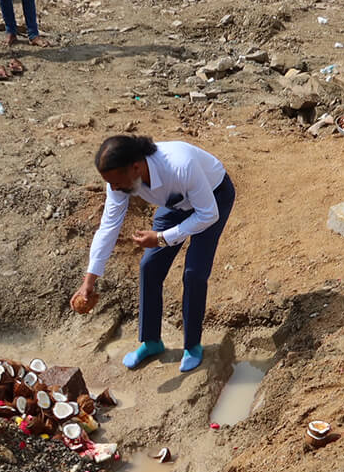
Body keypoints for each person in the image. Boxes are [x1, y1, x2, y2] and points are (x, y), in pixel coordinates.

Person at [70, 136, 236, 373]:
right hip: (175, 203)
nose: (114, 189)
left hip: (213, 198)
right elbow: (108, 226)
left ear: (135, 167)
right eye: (110, 183)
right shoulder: (119, 179)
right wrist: (89, 282)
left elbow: (208, 215)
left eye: (116, 183)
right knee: (149, 266)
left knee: (194, 273)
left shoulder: (180, 165)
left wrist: (161, 238)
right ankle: (152, 342)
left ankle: (192, 345)